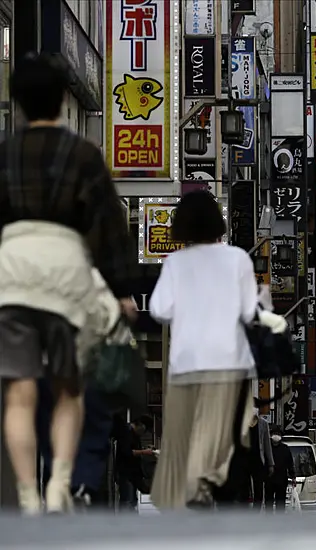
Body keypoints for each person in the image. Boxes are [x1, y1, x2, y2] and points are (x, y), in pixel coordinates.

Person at [0, 53, 138, 515]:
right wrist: (121, 289)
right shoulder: (82, 155)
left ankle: (26, 493)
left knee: (19, 390)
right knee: (68, 387)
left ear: (16, 101)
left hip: (11, 271)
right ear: (64, 97)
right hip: (64, 274)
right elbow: (110, 226)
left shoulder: (4, 152)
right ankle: (60, 483)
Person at [148, 190, 257, 510]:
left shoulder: (175, 262)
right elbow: (250, 312)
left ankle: (190, 489)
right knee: (225, 433)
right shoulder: (238, 258)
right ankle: (208, 484)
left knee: (184, 433)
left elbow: (159, 309)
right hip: (230, 361)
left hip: (186, 363)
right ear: (217, 222)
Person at [113, 415, 154, 512]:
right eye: (145, 430)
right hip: (126, 472)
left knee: (131, 501)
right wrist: (144, 452)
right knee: (127, 501)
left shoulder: (133, 434)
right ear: (141, 425)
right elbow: (127, 452)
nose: (144, 433)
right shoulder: (126, 432)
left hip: (132, 473)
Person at [247, 412, 275, 511]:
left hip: (258, 460)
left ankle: (256, 512)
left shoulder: (263, 423)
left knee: (259, 488)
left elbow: (267, 445)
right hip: (244, 460)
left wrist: (271, 463)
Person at [267, 426, 295, 512]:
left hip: (282, 480)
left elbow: (290, 463)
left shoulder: (285, 448)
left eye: (278, 434)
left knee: (281, 504)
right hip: (269, 479)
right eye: (274, 434)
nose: (276, 436)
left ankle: (280, 522)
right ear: (270, 435)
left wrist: (293, 476)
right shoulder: (267, 448)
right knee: (268, 503)